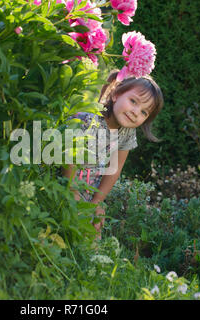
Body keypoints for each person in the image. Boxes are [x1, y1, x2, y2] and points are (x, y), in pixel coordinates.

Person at [62, 69, 164, 240]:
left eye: (144, 112)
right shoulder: (87, 121)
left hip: (89, 191)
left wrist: (97, 202)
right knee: (64, 226)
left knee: (93, 234)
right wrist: (73, 194)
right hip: (64, 184)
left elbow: (114, 170)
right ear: (116, 93)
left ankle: (88, 257)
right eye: (133, 101)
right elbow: (67, 158)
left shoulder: (127, 133)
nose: (136, 112)